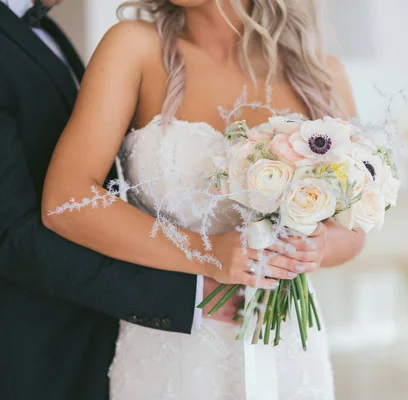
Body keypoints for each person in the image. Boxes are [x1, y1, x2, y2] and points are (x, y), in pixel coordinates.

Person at [42, 0, 366, 399]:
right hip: (168, 345)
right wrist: (208, 252)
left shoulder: (321, 75)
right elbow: (65, 202)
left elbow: (353, 232)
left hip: (282, 349)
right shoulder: (135, 47)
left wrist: (317, 247)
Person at [0, 1, 242, 399]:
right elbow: (11, 232)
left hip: (97, 337)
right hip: (27, 350)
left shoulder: (47, 33)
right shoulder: (131, 45)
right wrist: (191, 291)